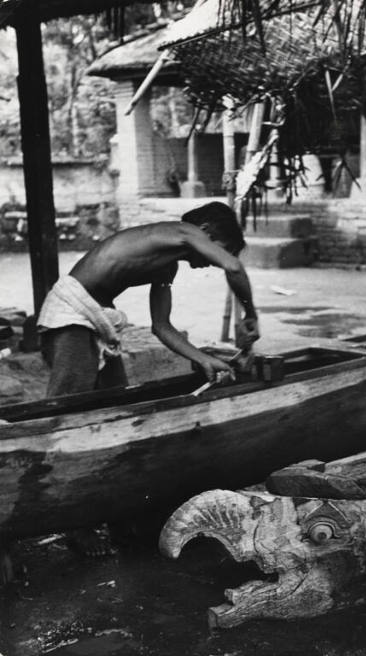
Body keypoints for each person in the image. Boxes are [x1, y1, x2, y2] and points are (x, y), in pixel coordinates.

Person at [37, 201, 260, 555]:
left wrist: (203, 359)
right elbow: (232, 266)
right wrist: (250, 314)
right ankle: (68, 524)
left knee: (120, 416)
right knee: (65, 422)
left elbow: (162, 327)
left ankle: (115, 516)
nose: (213, 260)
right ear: (207, 232)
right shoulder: (182, 230)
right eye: (219, 248)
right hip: (71, 315)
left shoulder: (168, 265)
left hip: (95, 321)